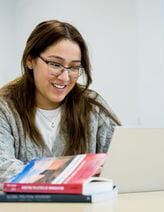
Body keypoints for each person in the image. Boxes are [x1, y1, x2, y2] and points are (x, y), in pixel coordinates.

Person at [0, 20, 120, 188]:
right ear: (30, 60)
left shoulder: (92, 107)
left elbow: (122, 163)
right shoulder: (4, 107)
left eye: (74, 67)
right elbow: (3, 170)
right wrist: (75, 174)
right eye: (55, 64)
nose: (64, 77)